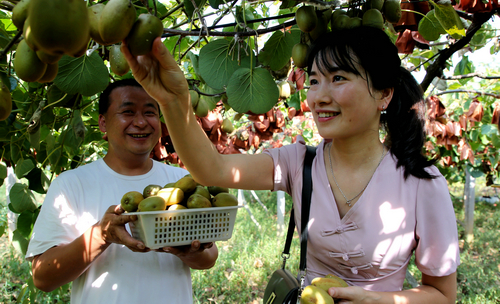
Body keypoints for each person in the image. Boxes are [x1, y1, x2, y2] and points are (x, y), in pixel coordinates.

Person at [121, 25, 460, 303]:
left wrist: (379, 301)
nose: (318, 96)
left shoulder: (421, 182)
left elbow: (442, 295)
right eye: (313, 80)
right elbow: (212, 170)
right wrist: (173, 101)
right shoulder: (300, 162)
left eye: (338, 78)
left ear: (383, 94)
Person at [25, 78, 218, 304]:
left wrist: (189, 251)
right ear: (103, 124)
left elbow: (210, 258)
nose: (140, 122)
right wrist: (101, 235)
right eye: (127, 112)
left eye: (149, 112)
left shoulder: (180, 181)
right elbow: (42, 277)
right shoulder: (70, 184)